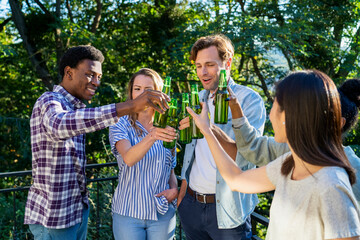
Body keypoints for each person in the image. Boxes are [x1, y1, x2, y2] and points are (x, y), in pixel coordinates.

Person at [187, 70, 360, 239]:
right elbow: (235, 179)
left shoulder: (331, 186)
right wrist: (207, 130)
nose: (270, 116)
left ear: (292, 116)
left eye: (275, 107)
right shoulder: (289, 163)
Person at [24, 46, 170, 240]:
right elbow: (59, 125)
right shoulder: (49, 101)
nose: (96, 82)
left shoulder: (74, 108)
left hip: (77, 212)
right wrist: (130, 107)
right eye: (90, 75)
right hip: (53, 217)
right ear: (69, 72)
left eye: (99, 77)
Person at [177, 34, 266, 239]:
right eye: (198, 66)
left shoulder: (248, 100)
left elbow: (247, 154)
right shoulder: (198, 98)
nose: (203, 72)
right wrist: (183, 196)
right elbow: (192, 154)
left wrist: (209, 128)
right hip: (191, 206)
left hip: (227, 208)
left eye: (209, 64)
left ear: (228, 63)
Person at [216, 78, 360, 205]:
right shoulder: (292, 154)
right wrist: (229, 113)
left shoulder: (350, 171)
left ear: (337, 123)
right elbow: (250, 151)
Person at [109, 68, 178, 240]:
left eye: (148, 90)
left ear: (159, 93)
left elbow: (170, 168)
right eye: (137, 89)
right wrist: (153, 135)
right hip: (128, 213)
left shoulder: (168, 124)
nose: (142, 94)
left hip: (162, 212)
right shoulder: (120, 123)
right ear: (131, 93)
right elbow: (129, 158)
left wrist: (174, 190)